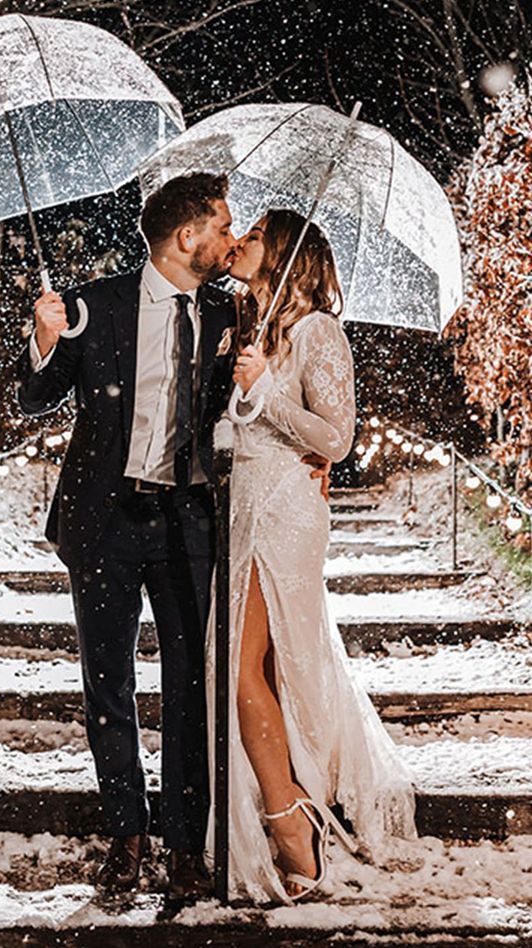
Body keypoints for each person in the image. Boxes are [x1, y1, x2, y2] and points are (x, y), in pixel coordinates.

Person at [16, 176, 330, 900]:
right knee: (109, 681)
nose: (230, 238)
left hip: (191, 522)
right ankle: (126, 832)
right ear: (187, 237)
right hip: (104, 522)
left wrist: (305, 455)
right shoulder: (97, 303)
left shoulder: (232, 312)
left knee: (194, 685)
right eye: (221, 225)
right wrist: (43, 339)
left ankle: (186, 841)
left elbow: (276, 388)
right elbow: (35, 398)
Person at [205, 209, 417, 905]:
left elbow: (338, 438)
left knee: (242, 673)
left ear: (285, 256)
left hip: (287, 513)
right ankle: (289, 807)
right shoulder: (247, 328)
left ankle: (291, 819)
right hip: (243, 512)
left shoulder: (317, 331)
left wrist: (266, 392)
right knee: (257, 671)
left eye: (255, 236)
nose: (239, 243)